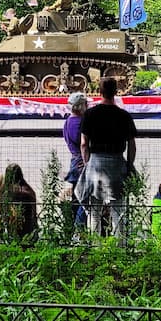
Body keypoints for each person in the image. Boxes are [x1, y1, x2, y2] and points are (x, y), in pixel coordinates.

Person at [76, 77, 137, 242]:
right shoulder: (124, 115)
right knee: (118, 209)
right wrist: (129, 165)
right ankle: (120, 245)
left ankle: (95, 245)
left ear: (100, 92)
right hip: (117, 162)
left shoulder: (90, 114)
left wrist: (88, 163)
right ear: (116, 92)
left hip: (96, 163)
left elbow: (83, 144)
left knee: (94, 210)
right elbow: (131, 144)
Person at [62, 91, 88, 228]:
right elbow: (83, 143)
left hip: (74, 160)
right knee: (83, 198)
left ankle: (71, 226)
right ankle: (80, 228)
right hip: (81, 162)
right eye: (85, 104)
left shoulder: (68, 121)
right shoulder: (79, 123)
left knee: (76, 197)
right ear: (80, 106)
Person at [0, 163, 38, 240]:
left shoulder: (5, 191)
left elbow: (1, 213)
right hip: (28, 227)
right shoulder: (29, 190)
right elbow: (34, 212)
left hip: (11, 227)